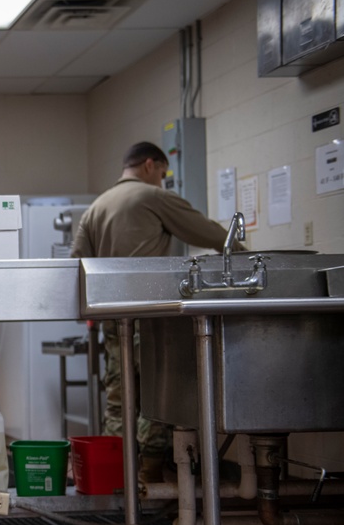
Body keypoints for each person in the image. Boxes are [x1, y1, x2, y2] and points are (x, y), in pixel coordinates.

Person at [70, 141, 246, 483]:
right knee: (155, 392)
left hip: (109, 313)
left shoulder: (97, 206)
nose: (162, 180)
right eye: (163, 174)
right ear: (150, 165)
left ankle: (116, 474)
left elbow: (75, 259)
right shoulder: (152, 197)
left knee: (120, 396)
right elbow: (205, 231)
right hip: (147, 314)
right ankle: (150, 474)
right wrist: (239, 251)